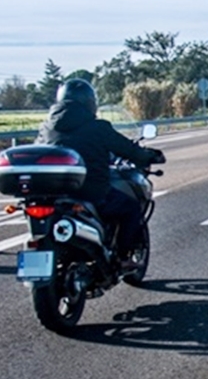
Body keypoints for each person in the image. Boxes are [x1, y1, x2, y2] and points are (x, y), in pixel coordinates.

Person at [37, 78, 161, 269]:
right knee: (130, 208)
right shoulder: (98, 127)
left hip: (52, 195)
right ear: (89, 102)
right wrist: (148, 156)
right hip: (91, 192)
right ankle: (122, 257)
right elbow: (128, 150)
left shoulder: (47, 128)